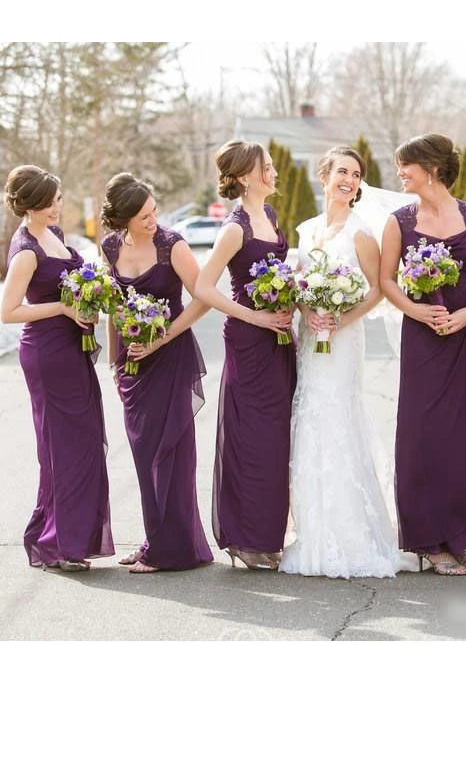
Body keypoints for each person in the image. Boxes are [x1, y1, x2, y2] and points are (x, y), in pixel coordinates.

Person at [380, 133, 466, 575]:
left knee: (464, 435)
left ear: (431, 168)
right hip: (422, 341)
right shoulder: (398, 221)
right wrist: (416, 310)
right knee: (422, 435)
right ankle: (429, 540)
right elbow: (387, 280)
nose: (400, 173)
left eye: (406, 165)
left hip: (464, 336)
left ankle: (460, 537)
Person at [280, 146, 405, 578]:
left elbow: (378, 289)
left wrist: (341, 319)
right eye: (342, 172)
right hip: (310, 338)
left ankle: (350, 533)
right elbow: (299, 285)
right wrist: (307, 311)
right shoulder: (307, 230)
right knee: (309, 424)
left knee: (337, 421)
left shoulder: (361, 233)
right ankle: (313, 533)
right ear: (324, 176)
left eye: (356, 174)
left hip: (343, 341)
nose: (349, 180)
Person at [1, 164, 113, 571]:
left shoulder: (55, 235)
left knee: (84, 443)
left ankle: (67, 537)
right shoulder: (26, 250)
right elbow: (8, 312)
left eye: (58, 199)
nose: (55, 207)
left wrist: (89, 301)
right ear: (28, 205)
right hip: (47, 354)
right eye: (47, 202)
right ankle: (58, 543)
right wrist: (64, 308)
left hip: (71, 349)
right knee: (62, 448)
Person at [100, 172, 213, 573]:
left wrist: (162, 338)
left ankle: (173, 549)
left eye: (154, 212)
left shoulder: (172, 245)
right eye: (144, 216)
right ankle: (156, 539)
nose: (154, 220)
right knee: (144, 453)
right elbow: (114, 307)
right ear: (124, 219)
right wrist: (115, 360)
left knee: (171, 453)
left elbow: (203, 299)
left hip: (171, 357)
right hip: (133, 364)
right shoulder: (110, 247)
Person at [194, 141, 296, 569]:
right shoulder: (235, 228)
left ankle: (268, 534)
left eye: (271, 165)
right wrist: (256, 317)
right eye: (265, 167)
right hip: (250, 341)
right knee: (254, 438)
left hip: (279, 341)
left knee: (277, 439)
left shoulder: (269, 216)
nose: (273, 172)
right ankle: (246, 538)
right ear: (242, 178)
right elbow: (203, 287)